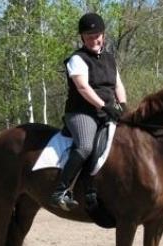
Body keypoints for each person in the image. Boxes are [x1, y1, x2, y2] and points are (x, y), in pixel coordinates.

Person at [50, 12, 127, 211]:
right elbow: (83, 88)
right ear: (82, 38)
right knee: (85, 146)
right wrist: (104, 106)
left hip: (107, 111)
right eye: (89, 36)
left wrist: (124, 105)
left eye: (97, 35)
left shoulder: (109, 58)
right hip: (82, 112)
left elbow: (118, 85)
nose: (94, 39)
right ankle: (61, 191)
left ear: (103, 35)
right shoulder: (77, 59)